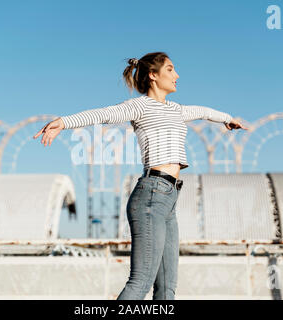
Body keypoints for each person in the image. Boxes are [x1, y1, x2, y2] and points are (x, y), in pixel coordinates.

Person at [33, 52, 248, 300]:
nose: (177, 75)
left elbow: (203, 111)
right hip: (151, 195)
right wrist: (63, 122)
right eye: (170, 69)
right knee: (141, 281)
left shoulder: (176, 109)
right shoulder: (139, 106)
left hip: (169, 199)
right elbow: (102, 114)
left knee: (167, 289)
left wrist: (228, 119)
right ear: (153, 75)